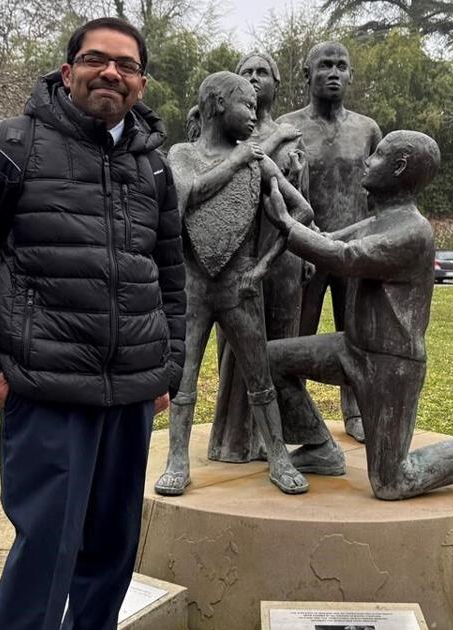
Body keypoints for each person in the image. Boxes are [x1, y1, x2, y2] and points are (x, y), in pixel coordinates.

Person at [0, 18, 184, 630]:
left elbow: (173, 279)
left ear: (141, 83)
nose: (111, 72)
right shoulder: (3, 149)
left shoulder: (155, 169)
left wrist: (165, 368)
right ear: (68, 72)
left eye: (127, 65)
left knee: (112, 553)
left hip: (131, 397)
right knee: (46, 553)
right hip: (45, 393)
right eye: (96, 59)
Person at [260, 130, 453, 500]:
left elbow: (345, 257)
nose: (367, 162)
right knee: (270, 359)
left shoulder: (413, 231)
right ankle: (320, 446)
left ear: (398, 167)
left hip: (391, 367)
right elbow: (328, 239)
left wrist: (287, 227)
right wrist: (279, 185)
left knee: (392, 482)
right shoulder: (378, 221)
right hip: (352, 349)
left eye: (377, 155)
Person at [153, 71, 309, 497]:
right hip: (193, 287)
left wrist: (262, 266)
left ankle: (277, 455)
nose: (255, 116)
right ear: (219, 105)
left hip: (241, 285)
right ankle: (177, 461)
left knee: (259, 375)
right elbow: (187, 196)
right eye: (247, 106)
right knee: (184, 379)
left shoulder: (258, 159)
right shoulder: (182, 154)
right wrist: (240, 161)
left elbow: (301, 212)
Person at [276, 41, 381, 443]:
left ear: (351, 75)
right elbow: (278, 187)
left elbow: (381, 188)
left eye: (341, 66)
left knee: (356, 333)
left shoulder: (366, 129)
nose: (334, 73)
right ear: (307, 75)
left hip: (354, 249)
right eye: (325, 66)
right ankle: (295, 414)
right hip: (303, 249)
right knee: (297, 336)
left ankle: (355, 410)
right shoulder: (288, 128)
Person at [209, 51, 309, 464]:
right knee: (237, 347)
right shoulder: (230, 132)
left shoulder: (291, 135)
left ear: (276, 83)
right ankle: (236, 439)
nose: (254, 78)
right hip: (233, 255)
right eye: (245, 72)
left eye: (262, 72)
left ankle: (281, 437)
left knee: (280, 343)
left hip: (281, 251)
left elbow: (304, 197)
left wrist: (309, 247)